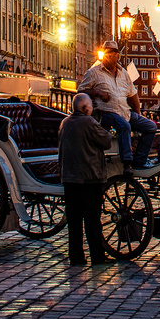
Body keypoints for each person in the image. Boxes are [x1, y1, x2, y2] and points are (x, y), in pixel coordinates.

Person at [59, 93, 119, 266]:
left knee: (74, 220)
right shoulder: (89, 122)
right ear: (85, 108)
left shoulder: (64, 123)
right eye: (91, 105)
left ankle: (76, 256)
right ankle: (97, 255)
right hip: (89, 177)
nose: (93, 108)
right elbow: (106, 141)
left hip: (69, 177)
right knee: (93, 219)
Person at [80, 51, 155, 167]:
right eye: (108, 56)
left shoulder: (123, 73)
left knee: (150, 126)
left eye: (113, 56)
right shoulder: (94, 72)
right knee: (124, 126)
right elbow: (81, 91)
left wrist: (138, 113)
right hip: (106, 112)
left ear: (117, 57)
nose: (111, 59)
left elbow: (132, 95)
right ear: (104, 56)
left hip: (124, 111)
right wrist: (97, 92)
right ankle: (127, 162)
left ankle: (140, 160)